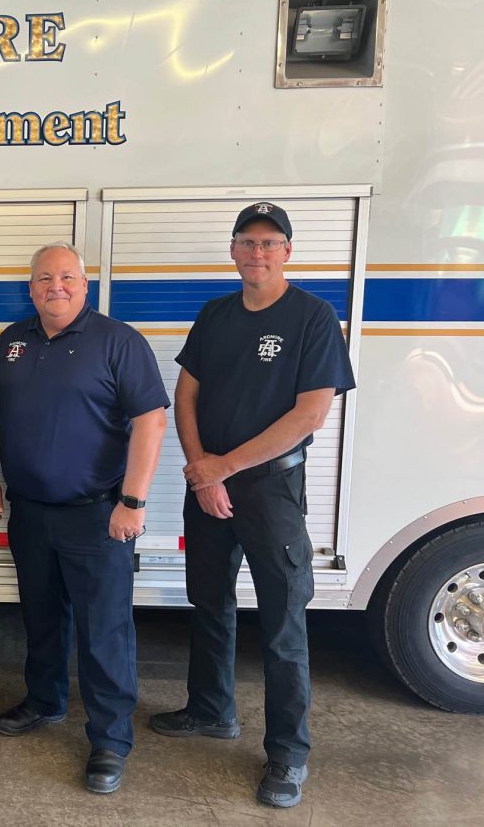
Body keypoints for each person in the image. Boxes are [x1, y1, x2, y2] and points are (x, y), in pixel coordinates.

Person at [148, 202, 356, 809]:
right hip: (209, 487)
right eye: (247, 241)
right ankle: (211, 710)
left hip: (271, 492)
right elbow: (186, 395)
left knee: (284, 624)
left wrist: (225, 467)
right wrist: (202, 474)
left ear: (287, 251)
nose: (257, 252)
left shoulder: (313, 317)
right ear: (234, 249)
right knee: (209, 604)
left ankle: (288, 754)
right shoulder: (215, 315)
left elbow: (309, 415)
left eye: (269, 242)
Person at [0, 241, 168, 794]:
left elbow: (151, 421)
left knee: (103, 631)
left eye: (66, 277)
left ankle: (110, 739)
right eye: (44, 278)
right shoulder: (13, 341)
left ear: (85, 285)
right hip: (30, 511)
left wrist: (132, 502)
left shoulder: (118, 341)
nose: (54, 287)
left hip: (98, 515)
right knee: (41, 617)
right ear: (30, 288)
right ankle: (45, 700)